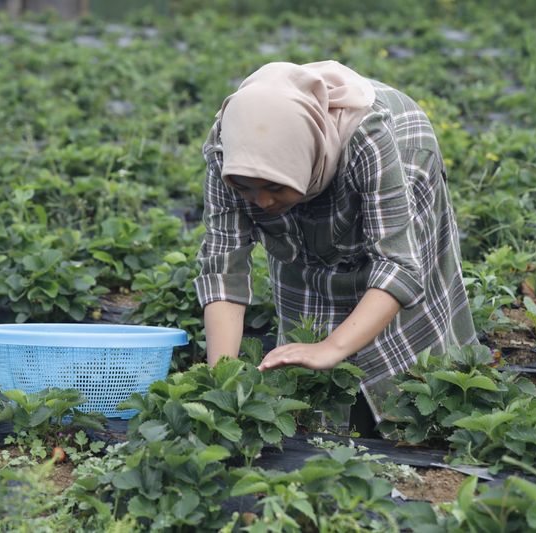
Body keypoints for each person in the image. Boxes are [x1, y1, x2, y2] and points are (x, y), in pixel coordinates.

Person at [194, 60, 478, 437]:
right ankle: (324, 423)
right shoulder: (230, 149)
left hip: (399, 148)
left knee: (402, 334)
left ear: (304, 161)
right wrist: (222, 386)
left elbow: (399, 265)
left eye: (274, 188)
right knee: (304, 307)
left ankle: (413, 421)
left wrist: (331, 348)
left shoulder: (371, 138)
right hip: (303, 160)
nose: (261, 201)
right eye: (247, 188)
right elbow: (223, 267)